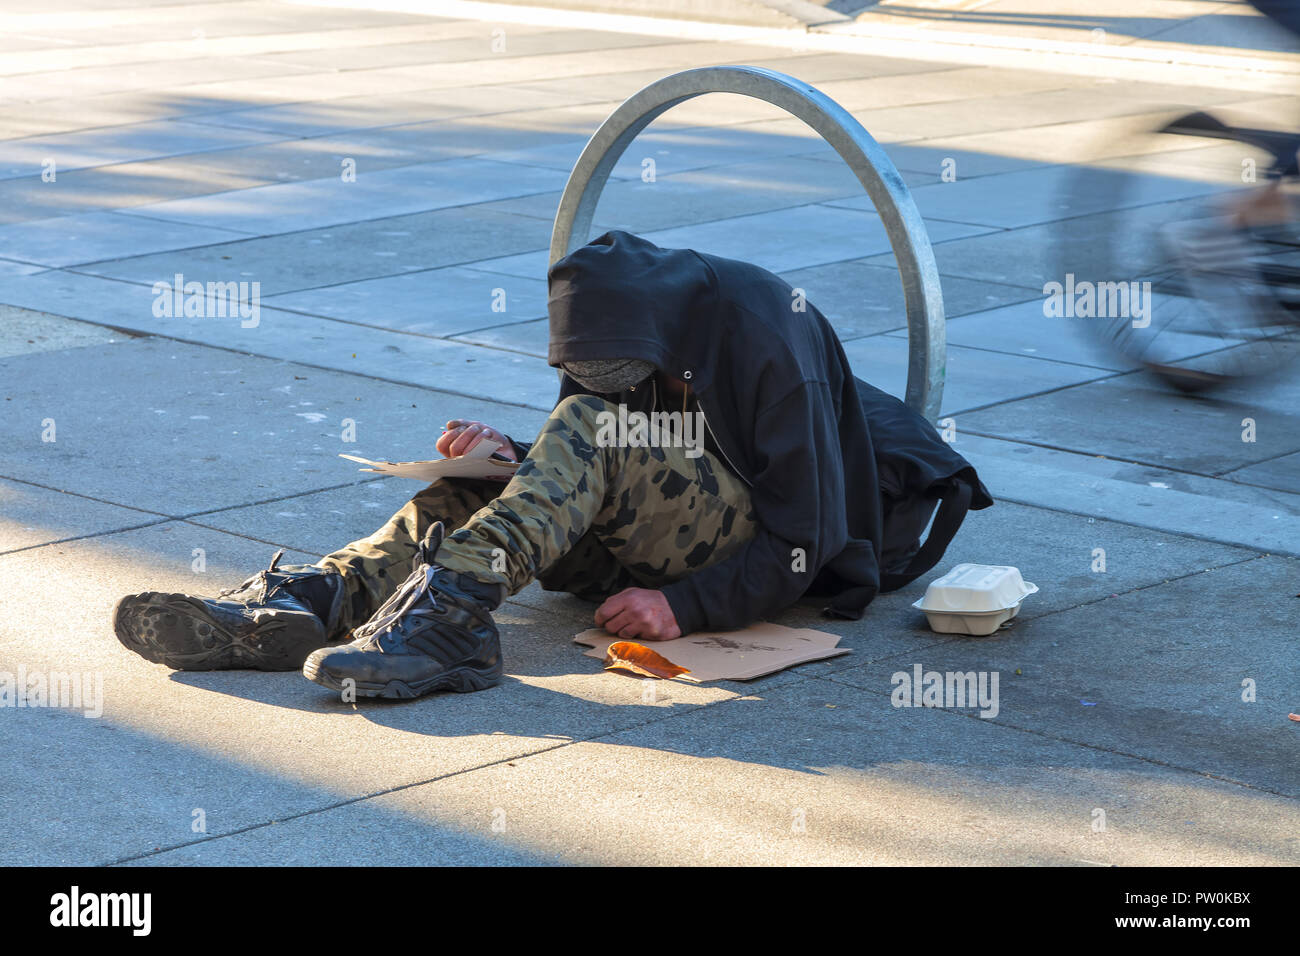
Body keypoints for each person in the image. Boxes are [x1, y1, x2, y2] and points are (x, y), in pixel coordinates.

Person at [114, 230, 992, 699]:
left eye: (617, 373)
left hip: (765, 552)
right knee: (474, 478)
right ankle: (320, 600)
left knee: (592, 430)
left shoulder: (768, 340)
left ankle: (451, 620)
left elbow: (807, 538)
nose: (601, 385)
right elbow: (596, 458)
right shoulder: (622, 344)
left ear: (661, 332)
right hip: (664, 526)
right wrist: (509, 461)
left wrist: (683, 605)